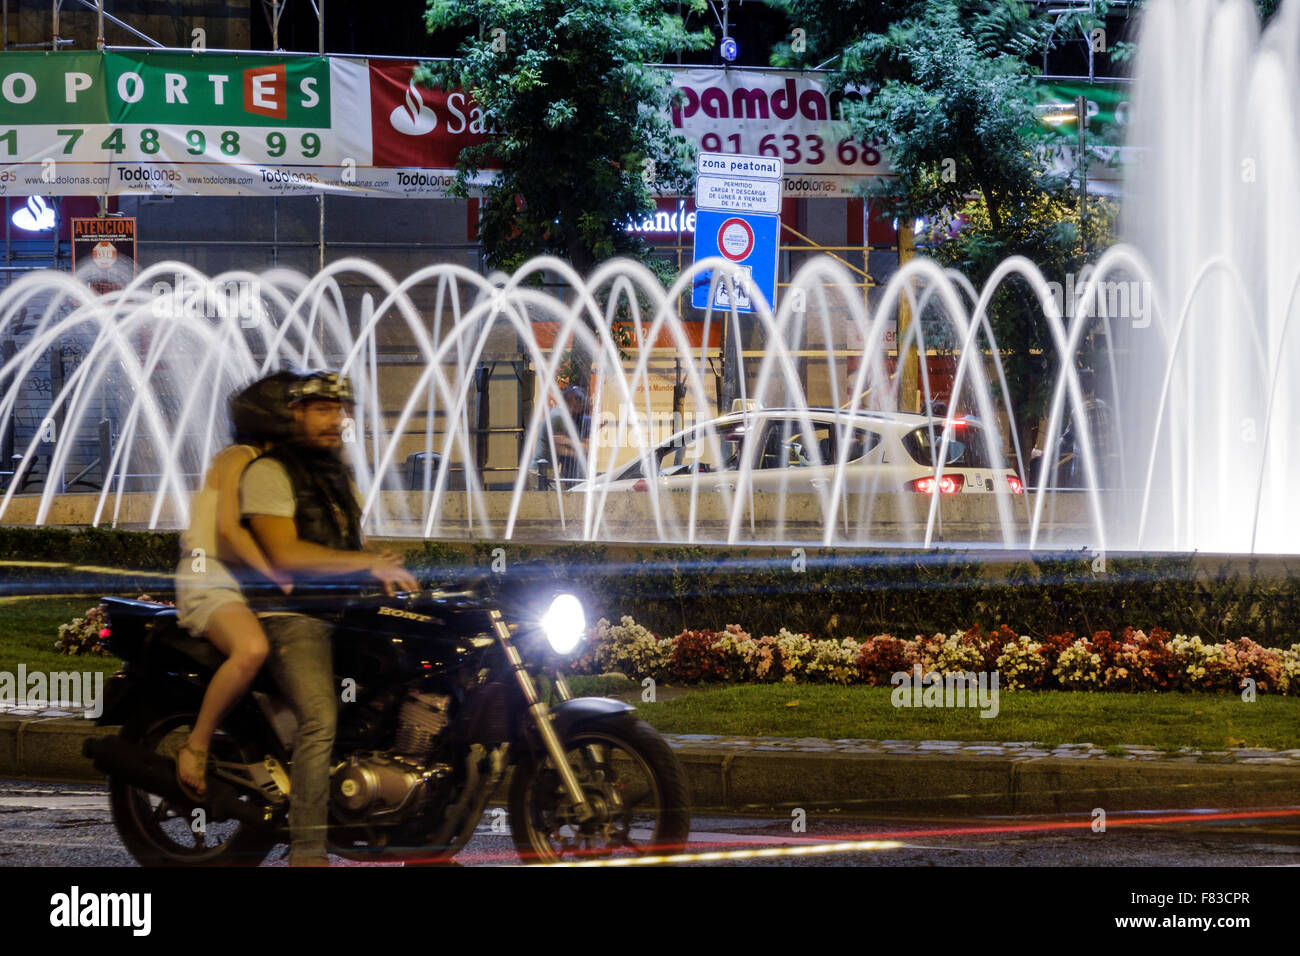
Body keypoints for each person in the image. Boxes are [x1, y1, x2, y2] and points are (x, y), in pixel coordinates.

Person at [239, 369, 417, 866]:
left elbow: (345, 548)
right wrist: (363, 562)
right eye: (322, 409)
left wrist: (376, 561)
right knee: (320, 720)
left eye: (339, 410)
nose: (335, 420)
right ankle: (308, 852)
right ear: (296, 413)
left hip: (343, 610)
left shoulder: (337, 476)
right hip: (291, 614)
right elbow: (284, 553)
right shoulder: (270, 473)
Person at [173, 371, 302, 802]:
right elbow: (228, 532)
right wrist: (277, 574)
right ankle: (197, 744)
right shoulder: (238, 457)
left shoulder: (281, 468)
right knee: (252, 649)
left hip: (248, 583)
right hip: (211, 577)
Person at [535, 385, 590, 487]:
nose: (583, 405)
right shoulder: (559, 417)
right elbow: (559, 449)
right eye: (580, 401)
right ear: (573, 402)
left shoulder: (558, 413)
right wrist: (578, 454)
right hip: (542, 470)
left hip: (545, 469)